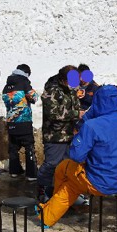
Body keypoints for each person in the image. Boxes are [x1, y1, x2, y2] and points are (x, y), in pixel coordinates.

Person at [37, 86, 117, 227]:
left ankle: (47, 215)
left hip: (97, 182)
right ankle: (52, 210)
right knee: (71, 178)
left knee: (64, 171)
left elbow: (76, 155)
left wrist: (84, 124)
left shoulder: (92, 125)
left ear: (96, 101)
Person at [36, 65, 82, 202]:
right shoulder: (52, 90)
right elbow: (52, 113)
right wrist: (76, 114)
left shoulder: (71, 90)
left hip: (69, 133)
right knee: (51, 164)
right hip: (55, 135)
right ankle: (43, 190)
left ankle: (62, 193)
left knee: (67, 165)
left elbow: (75, 106)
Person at [2, 64, 39, 180]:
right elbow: (34, 97)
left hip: (11, 122)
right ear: (26, 73)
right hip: (23, 121)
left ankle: (14, 171)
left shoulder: (6, 85)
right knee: (29, 147)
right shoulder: (24, 82)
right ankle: (31, 174)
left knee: (13, 147)